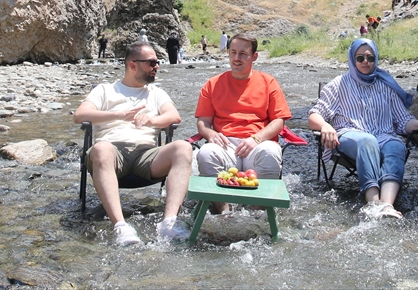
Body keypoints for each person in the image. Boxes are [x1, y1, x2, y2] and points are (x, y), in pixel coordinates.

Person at [73, 42, 193, 245]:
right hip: (111, 154)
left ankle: (169, 223)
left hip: (146, 155)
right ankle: (120, 227)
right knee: (101, 148)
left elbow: (175, 116)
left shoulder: (155, 93)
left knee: (183, 147)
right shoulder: (105, 90)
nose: (157, 66)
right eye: (152, 62)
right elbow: (80, 115)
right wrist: (119, 115)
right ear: (133, 65)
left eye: (157, 62)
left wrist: (152, 120)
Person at [309, 39, 418, 220]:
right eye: (360, 58)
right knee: (368, 141)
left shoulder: (385, 84)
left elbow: (403, 119)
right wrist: (325, 125)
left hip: (383, 136)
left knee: (396, 145)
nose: (365, 62)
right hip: (350, 135)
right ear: (352, 60)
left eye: (370, 57)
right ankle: (373, 203)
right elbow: (314, 114)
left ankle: (387, 205)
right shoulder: (339, 84)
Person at [194, 34, 292, 214]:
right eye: (233, 52)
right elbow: (203, 122)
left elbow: (279, 121)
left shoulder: (268, 82)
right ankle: (224, 213)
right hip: (224, 143)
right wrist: (211, 135)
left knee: (271, 152)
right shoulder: (212, 84)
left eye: (243, 54)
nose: (236, 58)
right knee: (205, 153)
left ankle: (256, 213)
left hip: (258, 142)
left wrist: (257, 138)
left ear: (254, 56)